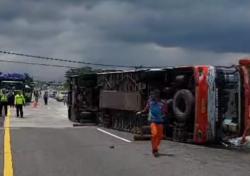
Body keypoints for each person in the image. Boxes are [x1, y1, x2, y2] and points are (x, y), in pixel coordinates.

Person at [137, 89, 168, 157]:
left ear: (158, 96)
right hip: (153, 121)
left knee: (160, 137)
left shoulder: (162, 103)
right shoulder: (150, 102)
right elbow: (146, 109)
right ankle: (154, 149)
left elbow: (165, 111)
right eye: (154, 95)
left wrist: (164, 115)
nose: (154, 96)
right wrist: (141, 112)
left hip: (160, 121)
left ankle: (155, 147)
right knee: (154, 134)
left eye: (156, 95)